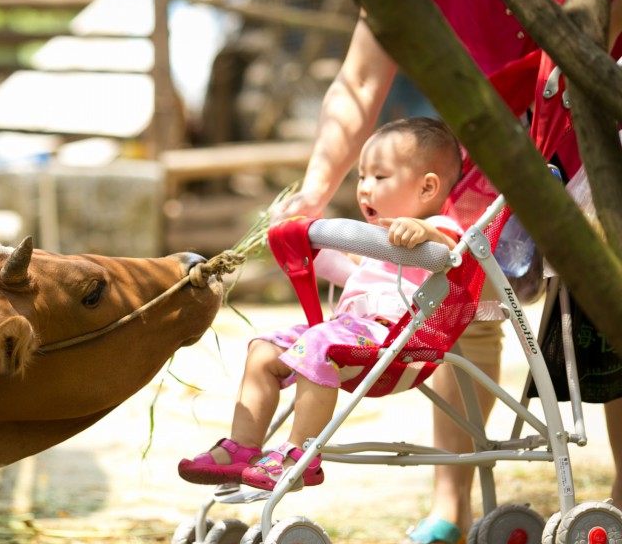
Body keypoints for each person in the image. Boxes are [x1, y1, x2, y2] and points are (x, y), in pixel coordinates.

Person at [267, 0, 622, 544]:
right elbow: (358, 79)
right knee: (465, 307)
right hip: (484, 151)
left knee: (607, 308)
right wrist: (315, 189)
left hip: (592, 138)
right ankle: (451, 508)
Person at [179, 116, 464, 495]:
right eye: (361, 177)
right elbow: (350, 276)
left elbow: (452, 252)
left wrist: (426, 232)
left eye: (379, 178)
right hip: (351, 335)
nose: (364, 189)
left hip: (399, 345)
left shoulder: (437, 228)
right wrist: (302, 242)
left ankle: (299, 454)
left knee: (319, 343)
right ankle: (242, 447)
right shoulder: (380, 244)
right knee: (263, 350)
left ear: (428, 187)